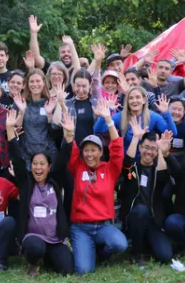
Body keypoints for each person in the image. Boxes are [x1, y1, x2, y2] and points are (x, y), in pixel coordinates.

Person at [60, 100, 128, 275]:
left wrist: (108, 120)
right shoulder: (78, 167)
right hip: (80, 227)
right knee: (84, 270)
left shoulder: (110, 169)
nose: (89, 154)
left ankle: (101, 253)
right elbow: (71, 148)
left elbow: (118, 148)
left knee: (120, 244)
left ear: (100, 152)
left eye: (93, 150)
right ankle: (86, 250)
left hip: (103, 226)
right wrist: (69, 131)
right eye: (86, 150)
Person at [6, 110, 73, 276]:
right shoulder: (26, 182)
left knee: (67, 269)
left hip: (55, 239)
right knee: (35, 246)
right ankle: (33, 264)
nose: (38, 167)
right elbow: (17, 157)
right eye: (35, 163)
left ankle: (48, 258)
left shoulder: (55, 181)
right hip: (33, 237)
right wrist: (9, 129)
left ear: (49, 167)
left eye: (42, 164)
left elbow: (64, 157)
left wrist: (69, 135)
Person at [120, 125, 174, 268]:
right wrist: (136, 137)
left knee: (165, 256)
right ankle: (137, 253)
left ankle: (146, 243)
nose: (149, 152)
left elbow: (163, 176)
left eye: (153, 149)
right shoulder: (134, 170)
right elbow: (126, 165)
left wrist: (161, 152)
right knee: (141, 210)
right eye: (146, 147)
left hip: (153, 221)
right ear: (140, 148)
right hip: (134, 218)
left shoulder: (158, 169)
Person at [94, 86, 177, 153]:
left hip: (147, 159)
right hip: (127, 162)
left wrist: (166, 113)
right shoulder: (120, 116)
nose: (134, 101)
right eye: (131, 98)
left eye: (138, 97)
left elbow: (172, 133)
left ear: (144, 100)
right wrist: (105, 114)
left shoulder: (153, 116)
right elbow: (98, 130)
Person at [13, 69, 59, 170]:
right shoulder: (20, 103)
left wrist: (49, 114)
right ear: (27, 84)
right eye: (32, 81)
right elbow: (16, 129)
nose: (35, 84)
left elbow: (55, 132)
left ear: (43, 83)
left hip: (47, 155)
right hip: (26, 155)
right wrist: (22, 111)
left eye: (38, 81)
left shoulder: (51, 103)